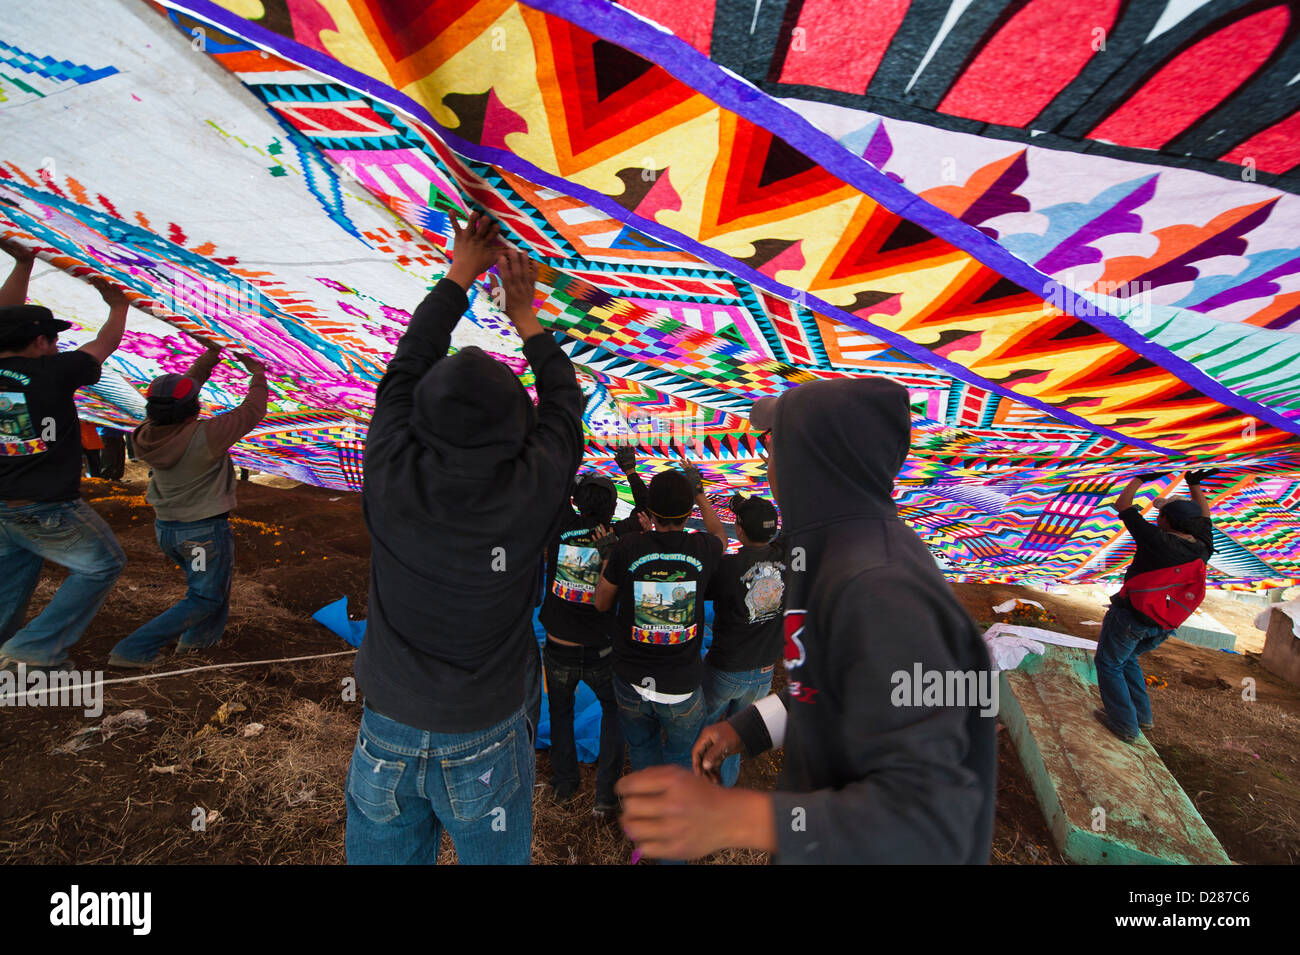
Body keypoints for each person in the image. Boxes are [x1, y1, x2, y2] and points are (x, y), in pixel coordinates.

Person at [615, 379, 997, 864]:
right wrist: (747, 729)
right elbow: (844, 690)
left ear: (812, 460)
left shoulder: (880, 587)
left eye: (775, 446)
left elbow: (933, 818)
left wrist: (738, 818)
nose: (767, 462)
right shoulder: (832, 557)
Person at [346, 213, 583, 865]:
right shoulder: (532, 489)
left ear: (419, 417)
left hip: (386, 724)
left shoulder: (390, 466)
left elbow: (405, 364)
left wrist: (460, 272)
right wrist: (526, 316)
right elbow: (566, 403)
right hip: (485, 733)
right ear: (520, 429)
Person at [0, 239, 130, 669]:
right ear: (40, 341)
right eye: (53, 340)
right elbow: (104, 344)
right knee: (104, 563)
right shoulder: (53, 371)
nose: (58, 347)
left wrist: (23, 263)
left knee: (13, 575)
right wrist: (118, 306)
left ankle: (7, 643)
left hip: (4, 505)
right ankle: (35, 649)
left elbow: (3, 321)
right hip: (44, 505)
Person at [106, 340, 268, 667]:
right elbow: (252, 411)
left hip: (169, 530)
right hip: (201, 533)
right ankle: (133, 649)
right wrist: (259, 375)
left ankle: (199, 643)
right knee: (205, 595)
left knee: (212, 584)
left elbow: (183, 389)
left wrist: (211, 355)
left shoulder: (145, 433)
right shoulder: (205, 436)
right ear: (193, 408)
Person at [594, 468, 722, 776]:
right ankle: (674, 815)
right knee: (682, 756)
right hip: (681, 687)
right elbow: (719, 534)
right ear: (689, 511)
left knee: (641, 749)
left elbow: (601, 603)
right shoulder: (703, 548)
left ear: (650, 510)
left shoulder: (627, 547)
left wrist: (608, 558)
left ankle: (646, 813)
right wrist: (701, 493)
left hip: (631, 682)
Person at [1093, 470, 1216, 743]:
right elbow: (1204, 515)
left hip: (1131, 617)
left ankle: (1124, 724)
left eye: (1161, 513)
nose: (1156, 516)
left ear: (1167, 520)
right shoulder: (1203, 545)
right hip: (1163, 624)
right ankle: (1142, 717)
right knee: (1127, 660)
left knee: (1109, 664)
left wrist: (1139, 478)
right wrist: (1194, 484)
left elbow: (1122, 506)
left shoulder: (1158, 540)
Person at [538, 473, 626, 816]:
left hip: (559, 646)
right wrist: (632, 474)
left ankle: (564, 781)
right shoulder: (622, 537)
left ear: (575, 501)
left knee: (560, 711)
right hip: (601, 649)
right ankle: (606, 795)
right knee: (614, 709)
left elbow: (553, 485)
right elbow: (648, 510)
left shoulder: (560, 526)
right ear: (614, 508)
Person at [694, 484, 786, 787]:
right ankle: (726, 787)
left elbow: (715, 541)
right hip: (763, 671)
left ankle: (698, 790)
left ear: (740, 532)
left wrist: (700, 495)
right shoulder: (790, 559)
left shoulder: (728, 567)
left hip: (725, 668)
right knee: (735, 735)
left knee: (702, 732)